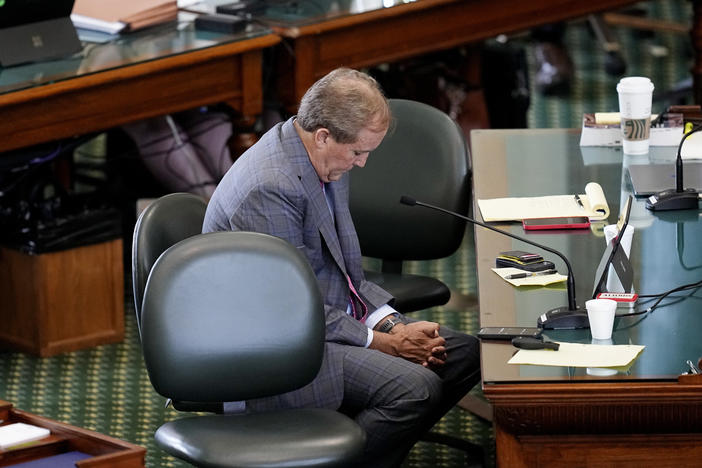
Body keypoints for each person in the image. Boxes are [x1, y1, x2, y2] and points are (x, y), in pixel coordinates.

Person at [203, 67, 480, 467]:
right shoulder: (269, 188)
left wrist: (392, 326)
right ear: (323, 135)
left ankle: (355, 445)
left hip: (322, 316)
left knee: (459, 354)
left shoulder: (322, 157)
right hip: (275, 346)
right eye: (358, 152)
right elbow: (290, 310)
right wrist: (384, 344)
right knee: (415, 388)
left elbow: (344, 270)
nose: (363, 164)